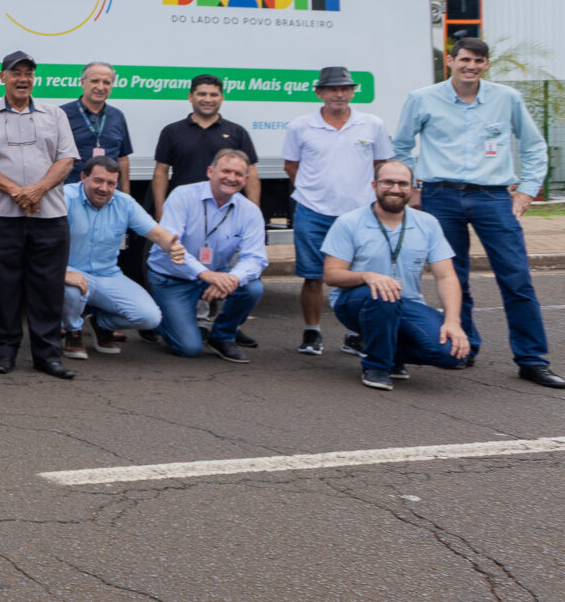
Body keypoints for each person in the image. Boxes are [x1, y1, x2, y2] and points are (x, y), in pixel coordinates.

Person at [394, 36, 563, 387]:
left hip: (493, 198)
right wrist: (411, 188)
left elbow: (534, 146)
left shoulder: (507, 99)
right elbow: (402, 146)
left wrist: (527, 191)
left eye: (478, 61)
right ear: (451, 61)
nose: (471, 66)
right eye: (465, 59)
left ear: (486, 64)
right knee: (453, 277)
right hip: (440, 197)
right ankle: (464, 347)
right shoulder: (422, 99)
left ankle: (532, 360)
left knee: (516, 278)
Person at [0, 52, 79, 379]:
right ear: (2, 77)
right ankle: (3, 352)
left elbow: (66, 160)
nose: (23, 79)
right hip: (2, 216)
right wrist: (18, 192)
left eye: (29, 73)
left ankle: (48, 356)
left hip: (49, 215)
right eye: (16, 73)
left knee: (48, 288)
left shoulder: (54, 114)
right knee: (2, 287)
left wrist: (38, 190)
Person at [322, 162, 472, 391]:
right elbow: (331, 275)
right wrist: (368, 276)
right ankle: (377, 366)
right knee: (383, 294)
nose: (395, 189)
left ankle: (386, 349)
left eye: (402, 184)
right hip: (356, 302)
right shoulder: (349, 222)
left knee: (453, 353)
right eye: (388, 182)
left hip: (407, 303)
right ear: (374, 185)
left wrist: (453, 321)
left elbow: (446, 277)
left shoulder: (427, 223)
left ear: (412, 188)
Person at [282, 66, 394, 355]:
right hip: (313, 212)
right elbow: (291, 166)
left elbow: (380, 164)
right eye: (332, 89)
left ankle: (354, 334)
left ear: (353, 92)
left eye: (345, 89)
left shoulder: (372, 124)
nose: (339, 94)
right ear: (319, 92)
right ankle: (312, 332)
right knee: (313, 276)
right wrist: (314, 193)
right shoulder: (300, 126)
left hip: (359, 214)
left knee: (358, 275)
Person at [147, 149, 267, 362]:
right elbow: (171, 246)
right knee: (189, 348)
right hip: (172, 278)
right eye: (226, 171)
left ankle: (223, 336)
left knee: (252, 288)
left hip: (213, 275)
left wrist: (233, 278)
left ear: (246, 180)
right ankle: (154, 318)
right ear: (210, 171)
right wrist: (206, 274)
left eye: (238, 174)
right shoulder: (183, 196)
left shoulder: (249, 211)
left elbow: (256, 258)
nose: (231, 178)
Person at [60, 157, 185, 359]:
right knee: (73, 290)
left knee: (150, 318)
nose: (104, 188)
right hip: (70, 269)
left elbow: (156, 233)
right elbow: (41, 240)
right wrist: (62, 272)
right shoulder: (65, 197)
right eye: (98, 181)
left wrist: (172, 246)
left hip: (107, 275)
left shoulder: (124, 203)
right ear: (83, 177)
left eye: (111, 183)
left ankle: (101, 324)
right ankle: (73, 332)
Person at [151, 74, 261, 214]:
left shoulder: (237, 132)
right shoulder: (172, 131)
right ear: (191, 97)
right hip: (184, 208)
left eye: (214, 95)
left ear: (222, 98)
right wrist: (161, 211)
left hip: (226, 208)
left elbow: (251, 173)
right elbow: (161, 172)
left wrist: (254, 211)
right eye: (202, 94)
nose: (208, 99)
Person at [63, 62, 134, 185]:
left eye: (107, 82)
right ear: (82, 83)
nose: (101, 87)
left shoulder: (117, 116)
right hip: (71, 190)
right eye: (95, 81)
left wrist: (125, 193)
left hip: (108, 191)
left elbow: (122, 159)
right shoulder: (62, 114)